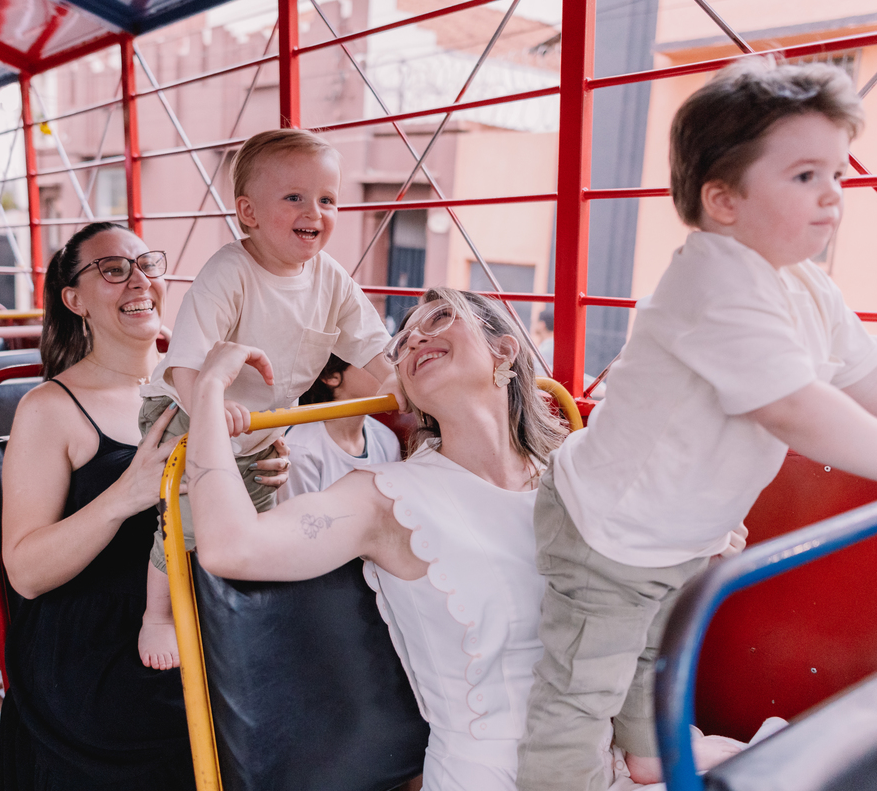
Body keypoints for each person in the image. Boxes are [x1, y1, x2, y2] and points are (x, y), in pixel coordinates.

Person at [514, 57, 877, 791]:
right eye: (805, 176)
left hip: (679, 530)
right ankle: (556, 779)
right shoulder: (713, 282)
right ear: (723, 200)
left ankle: (646, 758)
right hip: (607, 531)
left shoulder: (804, 284)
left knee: (653, 649)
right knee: (584, 678)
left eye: (838, 174)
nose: (833, 195)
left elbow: (873, 370)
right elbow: (793, 406)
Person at [182, 288, 749, 790]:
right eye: (401, 342)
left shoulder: (578, 478)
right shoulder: (385, 498)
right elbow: (232, 547)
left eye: (439, 318)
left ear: (504, 351)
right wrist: (207, 393)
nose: (413, 340)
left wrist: (698, 550)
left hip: (610, 759)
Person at [135, 128, 395, 669]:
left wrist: (400, 386)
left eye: (327, 199)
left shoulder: (331, 278)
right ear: (248, 212)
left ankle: (243, 615)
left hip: (259, 422)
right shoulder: (229, 272)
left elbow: (373, 344)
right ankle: (157, 614)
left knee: (256, 512)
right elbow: (187, 363)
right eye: (295, 197)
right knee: (187, 514)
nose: (314, 212)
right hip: (186, 407)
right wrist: (211, 410)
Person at [0, 222, 204, 790]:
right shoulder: (49, 408)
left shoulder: (197, 384)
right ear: (75, 300)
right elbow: (25, 573)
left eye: (146, 264)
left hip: (196, 605)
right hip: (94, 639)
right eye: (113, 270)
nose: (139, 280)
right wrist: (125, 495)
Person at [276, 353, 402, 503]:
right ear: (330, 376)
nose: (388, 367)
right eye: (369, 361)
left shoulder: (387, 439)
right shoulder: (301, 452)